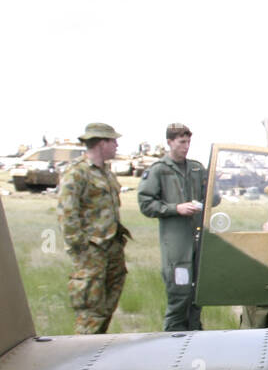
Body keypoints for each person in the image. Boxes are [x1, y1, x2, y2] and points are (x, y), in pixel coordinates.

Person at [56, 123, 130, 334]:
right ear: (101, 143)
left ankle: (97, 348)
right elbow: (66, 213)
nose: (116, 145)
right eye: (113, 141)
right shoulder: (77, 173)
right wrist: (81, 249)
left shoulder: (106, 173)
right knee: (90, 310)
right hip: (92, 251)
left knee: (107, 306)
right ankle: (81, 356)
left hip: (112, 247)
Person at [137, 122, 208, 331]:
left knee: (198, 295)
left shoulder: (196, 168)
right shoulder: (159, 170)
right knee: (180, 295)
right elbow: (146, 204)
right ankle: (173, 344)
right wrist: (175, 208)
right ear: (170, 142)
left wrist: (210, 194)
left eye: (188, 142)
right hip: (177, 248)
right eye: (182, 142)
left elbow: (212, 196)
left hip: (198, 244)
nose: (186, 146)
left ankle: (195, 338)